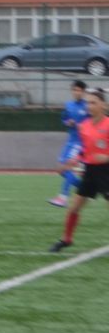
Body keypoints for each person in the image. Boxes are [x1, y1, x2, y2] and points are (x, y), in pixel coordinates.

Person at [51, 87, 109, 252]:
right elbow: (84, 150)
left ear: (103, 105)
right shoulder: (84, 126)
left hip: (107, 171)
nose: (89, 106)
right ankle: (66, 239)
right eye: (88, 103)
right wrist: (70, 163)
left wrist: (106, 157)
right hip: (90, 171)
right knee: (74, 207)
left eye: (93, 103)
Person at [51, 80, 89, 208]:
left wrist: (80, 126)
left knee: (66, 168)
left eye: (79, 90)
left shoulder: (88, 106)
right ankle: (86, 190)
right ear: (72, 91)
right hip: (70, 141)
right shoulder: (68, 105)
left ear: (83, 92)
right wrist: (68, 122)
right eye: (75, 90)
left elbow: (93, 123)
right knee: (60, 170)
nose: (77, 92)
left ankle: (63, 197)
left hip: (81, 143)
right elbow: (64, 118)